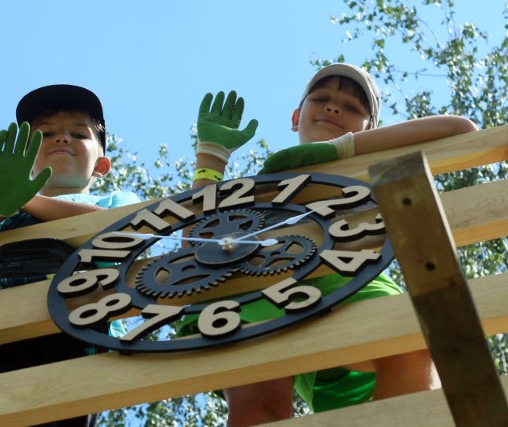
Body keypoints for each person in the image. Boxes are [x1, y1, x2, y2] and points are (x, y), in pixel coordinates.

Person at [192, 63, 478, 426]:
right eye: (321, 98)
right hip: (259, 288)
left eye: (352, 106)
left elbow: (461, 129)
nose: (333, 107)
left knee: (410, 343)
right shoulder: (261, 186)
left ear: (369, 127)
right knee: (259, 403)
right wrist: (210, 157)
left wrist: (341, 150)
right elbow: (200, 244)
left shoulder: (368, 156)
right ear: (296, 117)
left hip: (350, 281)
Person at [0, 84, 140, 427]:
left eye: (78, 133)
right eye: (45, 133)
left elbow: (124, 233)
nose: (61, 138)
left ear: (101, 165)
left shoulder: (114, 202)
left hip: (68, 329)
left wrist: (20, 200)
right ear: (26, 155)